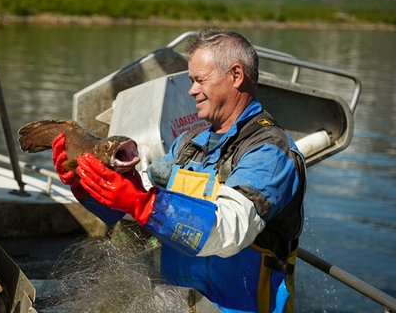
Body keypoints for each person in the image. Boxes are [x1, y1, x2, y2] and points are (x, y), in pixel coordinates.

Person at [51, 27, 306, 313]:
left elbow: (230, 228)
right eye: (191, 80)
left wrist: (141, 201)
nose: (192, 90)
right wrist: (86, 185)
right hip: (177, 303)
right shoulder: (189, 143)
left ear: (236, 75)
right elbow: (137, 203)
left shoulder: (270, 151)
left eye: (200, 80)